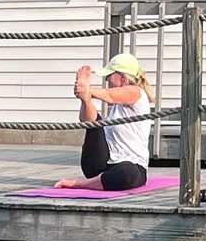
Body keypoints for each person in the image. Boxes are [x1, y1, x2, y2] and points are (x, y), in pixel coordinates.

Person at [56, 55, 155, 192]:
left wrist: (88, 91)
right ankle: (95, 180)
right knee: (95, 125)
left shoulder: (137, 92)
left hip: (130, 165)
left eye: (109, 75)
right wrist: (85, 98)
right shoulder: (117, 108)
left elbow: (109, 96)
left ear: (122, 78)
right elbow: (86, 121)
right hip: (101, 164)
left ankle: (81, 183)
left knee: (127, 174)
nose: (107, 79)